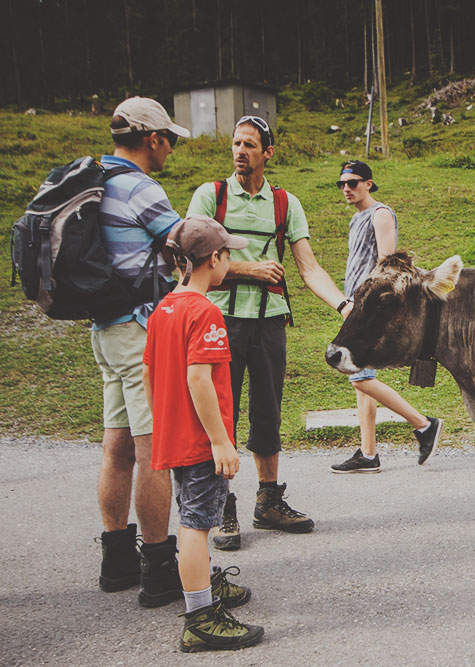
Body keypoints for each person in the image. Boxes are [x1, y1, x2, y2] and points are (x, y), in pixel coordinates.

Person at [187, 115, 349, 550]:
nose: (240, 151)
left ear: (267, 153)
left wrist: (344, 305)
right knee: (220, 412)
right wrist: (248, 268)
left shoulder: (284, 202)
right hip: (217, 321)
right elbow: (188, 257)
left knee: (267, 410)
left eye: (249, 145)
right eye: (236, 144)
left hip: (270, 320)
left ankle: (269, 501)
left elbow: (308, 266)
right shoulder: (212, 195)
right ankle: (220, 508)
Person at [143, 215, 263, 652]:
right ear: (213, 259)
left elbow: (149, 372)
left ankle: (205, 584)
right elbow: (198, 378)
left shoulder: (165, 308)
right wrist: (219, 440)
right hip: (200, 440)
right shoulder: (205, 311)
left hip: (175, 434)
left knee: (194, 516)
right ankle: (200, 617)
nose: (229, 259)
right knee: (196, 524)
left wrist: (167, 421)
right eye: (228, 253)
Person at [94, 96, 188, 606]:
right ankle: (159, 569)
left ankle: (117, 561)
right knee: (155, 450)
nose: (171, 147)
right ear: (152, 138)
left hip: (106, 329)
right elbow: (186, 241)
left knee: (118, 446)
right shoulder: (139, 185)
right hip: (137, 330)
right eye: (168, 138)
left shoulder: (96, 179)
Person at [329, 160, 443, 474]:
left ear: (369, 183)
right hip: (355, 306)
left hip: (368, 309)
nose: (347, 189)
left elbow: (386, 264)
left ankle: (423, 425)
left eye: (353, 182)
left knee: (359, 376)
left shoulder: (380, 214)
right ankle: (368, 454)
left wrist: (367, 307)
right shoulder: (356, 219)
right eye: (342, 184)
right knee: (361, 380)